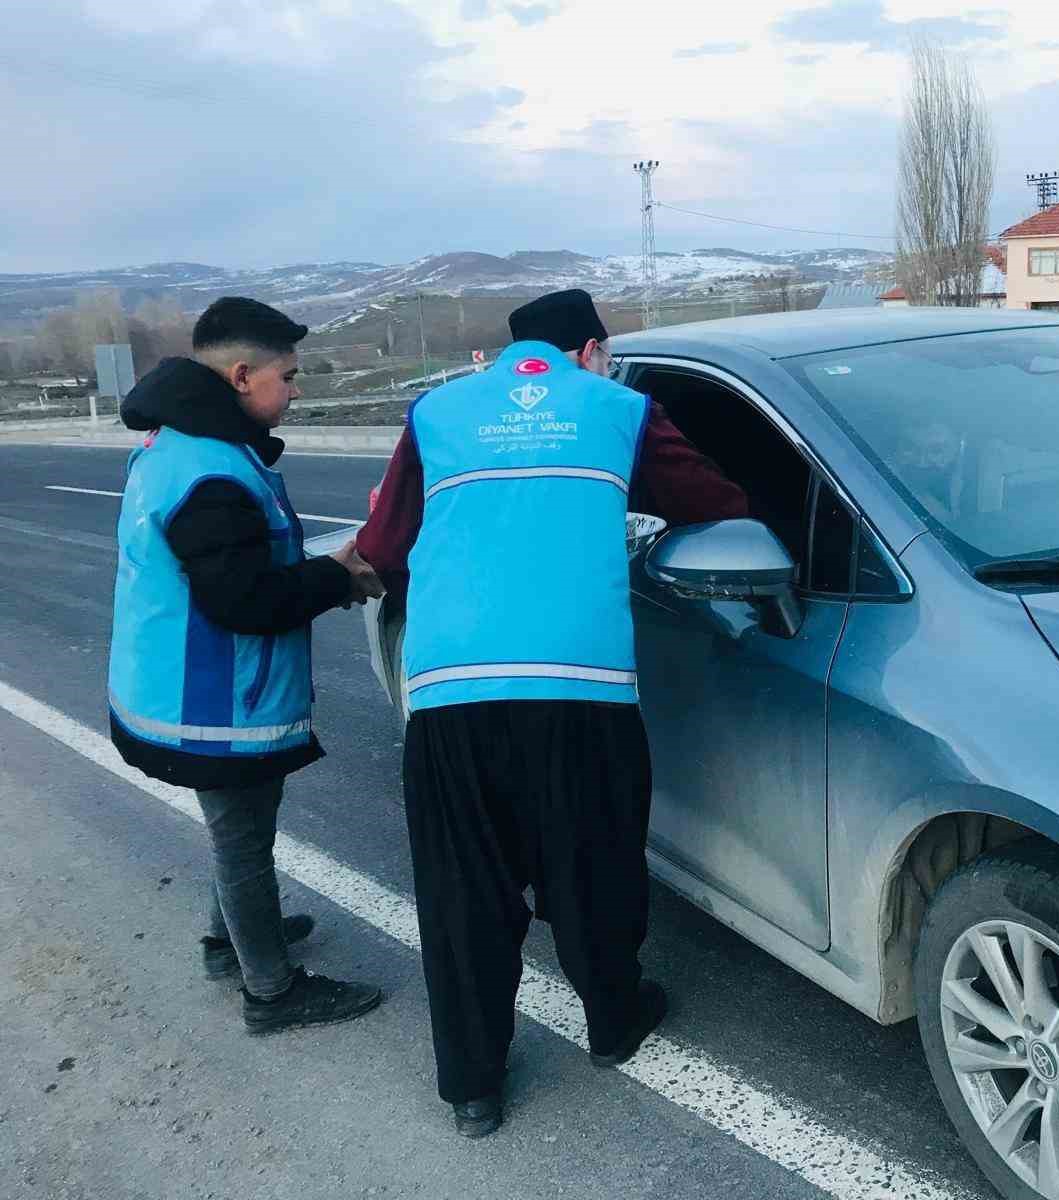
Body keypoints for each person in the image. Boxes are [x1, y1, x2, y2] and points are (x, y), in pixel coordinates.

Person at [356, 289, 748, 1138]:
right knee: (593, 863)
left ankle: (472, 1085)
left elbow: (384, 550)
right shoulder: (620, 409)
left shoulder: (436, 411)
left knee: (463, 889)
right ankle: (613, 1021)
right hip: (580, 682)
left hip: (452, 688)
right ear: (595, 350)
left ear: (506, 352)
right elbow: (717, 507)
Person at [108, 297, 386, 1034]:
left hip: (172, 683)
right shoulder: (212, 471)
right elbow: (248, 602)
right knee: (242, 841)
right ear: (240, 376)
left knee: (241, 837)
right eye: (287, 377)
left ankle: (227, 939)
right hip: (210, 701)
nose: (294, 391)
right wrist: (338, 576)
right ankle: (271, 991)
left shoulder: (181, 444)